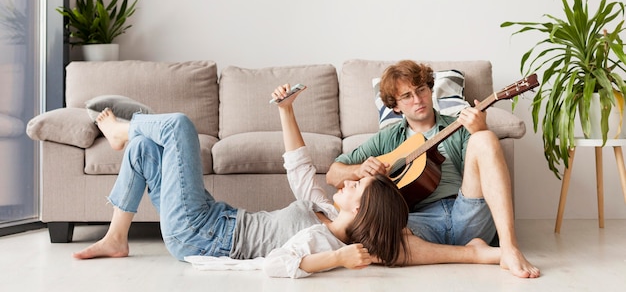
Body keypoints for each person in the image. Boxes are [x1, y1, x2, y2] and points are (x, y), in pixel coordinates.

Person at [71, 84, 410, 278]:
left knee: (178, 127)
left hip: (201, 235)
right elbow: (299, 168)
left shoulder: (327, 243)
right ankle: (116, 237)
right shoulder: (328, 212)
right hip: (212, 216)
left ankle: (121, 130)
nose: (348, 182)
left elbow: (279, 264)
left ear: (361, 209)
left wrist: (338, 259)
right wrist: (286, 110)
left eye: (356, 187)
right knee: (145, 148)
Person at [326, 60, 540, 278]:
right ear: (396, 106)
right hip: (419, 225)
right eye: (407, 96)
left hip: (467, 212)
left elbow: (482, 175)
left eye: (421, 90)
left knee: (484, 138)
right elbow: (333, 174)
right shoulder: (387, 138)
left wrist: (479, 131)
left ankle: (510, 248)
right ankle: (475, 254)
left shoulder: (459, 124)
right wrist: (359, 170)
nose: (418, 100)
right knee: (374, 244)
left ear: (430, 89)